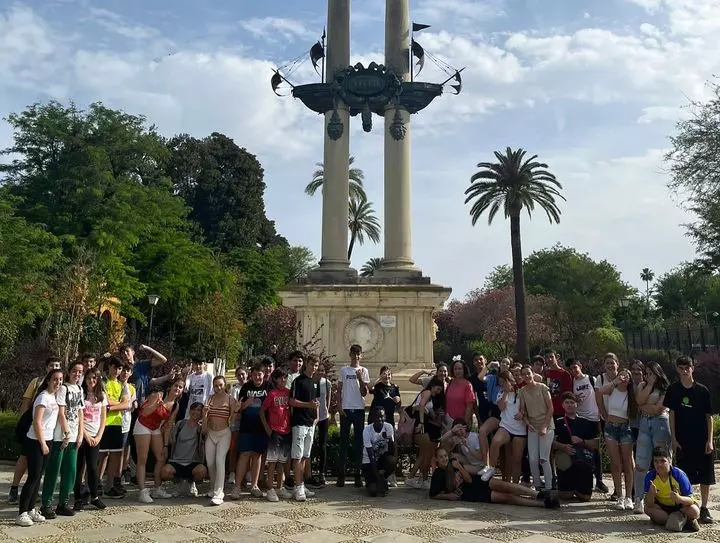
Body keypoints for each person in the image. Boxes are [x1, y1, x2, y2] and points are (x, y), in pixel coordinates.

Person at [664, 355, 714, 524]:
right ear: (677, 369)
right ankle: (688, 507)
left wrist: (710, 440)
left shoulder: (702, 390)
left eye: (687, 368)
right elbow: (671, 414)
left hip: (702, 439)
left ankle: (704, 507)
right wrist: (673, 438)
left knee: (705, 475)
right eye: (681, 368)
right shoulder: (673, 390)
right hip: (682, 440)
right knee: (685, 475)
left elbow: (709, 416)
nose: (685, 371)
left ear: (693, 368)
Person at [9, 356, 62, 504]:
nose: (54, 368)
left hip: (47, 431)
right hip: (32, 427)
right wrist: (23, 422)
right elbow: (26, 403)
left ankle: (31, 500)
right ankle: (15, 487)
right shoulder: (37, 383)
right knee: (24, 458)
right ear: (46, 367)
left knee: (37, 471)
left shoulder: (58, 387)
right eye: (51, 365)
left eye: (57, 365)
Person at [430, 447, 559, 508]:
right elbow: (433, 495)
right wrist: (448, 496)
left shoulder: (453, 463)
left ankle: (538, 494)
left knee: (506, 485)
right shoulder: (438, 474)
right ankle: (542, 504)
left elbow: (469, 478)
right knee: (507, 497)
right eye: (441, 457)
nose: (444, 459)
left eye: (445, 456)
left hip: (476, 482)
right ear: (436, 459)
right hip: (470, 493)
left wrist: (459, 466)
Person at [16, 369, 63, 527]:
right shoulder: (43, 397)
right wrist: (42, 443)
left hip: (48, 439)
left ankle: (31, 509)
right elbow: (37, 422)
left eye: (60, 379)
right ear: (48, 380)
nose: (58, 382)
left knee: (38, 477)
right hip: (36, 441)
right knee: (33, 477)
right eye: (55, 379)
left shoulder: (53, 397)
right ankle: (22, 512)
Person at [40, 361, 85, 519]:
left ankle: (63, 503)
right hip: (60, 436)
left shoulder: (80, 389)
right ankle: (46, 504)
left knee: (70, 471)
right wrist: (66, 433)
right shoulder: (63, 388)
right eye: (74, 371)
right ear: (69, 372)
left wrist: (80, 434)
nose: (77, 374)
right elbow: (61, 412)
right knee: (53, 470)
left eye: (80, 372)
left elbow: (80, 412)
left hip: (74, 436)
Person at [135, 379, 184, 503]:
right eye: (176, 385)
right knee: (142, 459)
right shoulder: (157, 395)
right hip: (143, 424)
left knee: (161, 457)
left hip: (155, 428)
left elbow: (168, 427)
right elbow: (144, 412)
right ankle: (142, 491)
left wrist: (166, 445)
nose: (177, 389)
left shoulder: (175, 406)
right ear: (170, 387)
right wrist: (156, 405)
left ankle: (157, 488)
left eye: (180, 387)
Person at [596, 362, 637, 510]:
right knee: (616, 463)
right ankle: (619, 496)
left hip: (625, 428)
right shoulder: (612, 389)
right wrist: (615, 381)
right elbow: (599, 392)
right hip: (611, 428)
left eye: (626, 377)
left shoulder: (631, 393)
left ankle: (629, 497)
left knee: (627, 463)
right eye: (622, 376)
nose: (624, 378)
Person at [633, 361, 671, 513]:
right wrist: (648, 385)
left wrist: (643, 407)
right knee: (641, 462)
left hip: (660, 424)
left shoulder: (665, 387)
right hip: (644, 424)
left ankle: (665, 495)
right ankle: (639, 498)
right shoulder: (642, 385)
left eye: (651, 373)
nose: (648, 376)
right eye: (647, 373)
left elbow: (658, 409)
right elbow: (638, 401)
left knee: (662, 460)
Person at [231, 362, 272, 499]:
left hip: (262, 427)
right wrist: (245, 405)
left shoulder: (269, 386)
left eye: (259, 374)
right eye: (254, 375)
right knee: (244, 455)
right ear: (251, 375)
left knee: (257, 456)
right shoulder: (246, 387)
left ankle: (254, 485)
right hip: (246, 427)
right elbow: (238, 407)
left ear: (264, 374)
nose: (257, 377)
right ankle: (237, 486)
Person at [566, 358, 607, 493]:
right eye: (571, 369)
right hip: (580, 418)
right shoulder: (572, 383)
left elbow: (599, 396)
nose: (574, 370)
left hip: (594, 418)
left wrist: (600, 416)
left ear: (580, 366)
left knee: (596, 449)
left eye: (575, 367)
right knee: (581, 449)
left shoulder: (591, 379)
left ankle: (599, 480)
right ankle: (582, 480)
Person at [552, 392, 598, 502]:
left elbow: (596, 444)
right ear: (562, 405)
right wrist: (563, 447)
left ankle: (580, 488)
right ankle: (568, 487)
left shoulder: (585, 422)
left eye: (572, 402)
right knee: (566, 496)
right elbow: (551, 443)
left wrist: (582, 441)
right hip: (565, 456)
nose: (570, 405)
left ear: (576, 404)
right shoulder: (557, 422)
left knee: (585, 497)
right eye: (567, 402)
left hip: (582, 459)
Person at [482, 371, 526, 483]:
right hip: (506, 426)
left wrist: (522, 413)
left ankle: (515, 485)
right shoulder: (501, 393)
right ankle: (491, 468)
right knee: (496, 441)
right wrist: (506, 392)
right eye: (500, 382)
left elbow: (526, 406)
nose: (501, 384)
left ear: (509, 380)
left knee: (516, 460)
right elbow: (501, 407)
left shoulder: (521, 391)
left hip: (519, 429)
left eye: (503, 382)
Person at [643, 446, 700, 532]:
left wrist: (679, 498)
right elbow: (648, 504)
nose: (659, 464)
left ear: (670, 461)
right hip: (662, 508)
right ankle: (683, 521)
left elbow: (691, 500)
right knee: (647, 509)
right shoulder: (650, 476)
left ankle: (675, 520)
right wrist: (651, 494)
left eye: (663, 461)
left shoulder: (679, 475)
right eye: (656, 461)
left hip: (680, 507)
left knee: (694, 510)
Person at [336, 344, 370, 488]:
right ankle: (341, 475)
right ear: (350, 354)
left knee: (359, 443)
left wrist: (360, 378)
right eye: (354, 354)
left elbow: (364, 393)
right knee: (343, 443)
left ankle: (358, 475)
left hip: (359, 409)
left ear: (361, 356)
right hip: (346, 409)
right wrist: (339, 406)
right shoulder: (343, 370)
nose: (356, 356)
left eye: (358, 354)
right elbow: (339, 390)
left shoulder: (364, 370)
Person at [74, 368, 107, 512]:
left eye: (94, 378)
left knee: (93, 467)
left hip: (95, 436)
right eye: (89, 378)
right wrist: (86, 435)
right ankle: (77, 498)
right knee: (79, 467)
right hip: (82, 435)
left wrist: (98, 436)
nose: (91, 381)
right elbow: (78, 417)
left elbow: (103, 418)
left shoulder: (102, 395)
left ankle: (94, 496)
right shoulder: (81, 394)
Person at [98, 356, 130, 499]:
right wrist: (118, 404)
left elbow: (126, 403)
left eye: (119, 368)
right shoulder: (102, 381)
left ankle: (110, 485)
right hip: (104, 423)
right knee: (102, 455)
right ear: (109, 366)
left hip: (117, 423)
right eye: (114, 367)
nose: (117, 371)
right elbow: (104, 399)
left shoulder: (122, 384)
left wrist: (112, 407)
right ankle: (97, 483)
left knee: (115, 456)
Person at [518, 365, 554, 491]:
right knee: (532, 459)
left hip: (546, 426)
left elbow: (550, 408)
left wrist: (544, 426)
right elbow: (523, 410)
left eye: (528, 373)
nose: (526, 376)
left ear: (533, 373)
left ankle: (549, 487)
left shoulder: (543, 387)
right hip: (532, 427)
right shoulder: (522, 391)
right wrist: (527, 422)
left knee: (544, 458)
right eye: (524, 374)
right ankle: (537, 485)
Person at [289, 356, 320, 501]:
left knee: (305, 456)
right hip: (299, 422)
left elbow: (316, 401)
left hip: (310, 423)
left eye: (316, 365)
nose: (314, 367)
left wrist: (317, 417)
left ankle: (300, 484)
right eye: (312, 364)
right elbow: (292, 401)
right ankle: (299, 485)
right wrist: (308, 405)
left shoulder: (316, 382)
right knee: (297, 456)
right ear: (306, 364)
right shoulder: (298, 381)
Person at [405, 378, 446, 489]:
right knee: (427, 454)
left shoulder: (429, 396)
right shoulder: (427, 392)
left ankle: (414, 477)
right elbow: (422, 405)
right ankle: (421, 479)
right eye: (437, 389)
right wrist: (422, 422)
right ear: (432, 386)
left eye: (440, 390)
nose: (438, 392)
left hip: (424, 425)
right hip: (421, 425)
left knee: (424, 454)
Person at [203, 376, 237, 505]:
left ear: (225, 385)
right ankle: (213, 487)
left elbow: (232, 420)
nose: (218, 388)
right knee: (210, 462)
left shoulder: (230, 399)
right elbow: (205, 419)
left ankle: (219, 493)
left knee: (219, 460)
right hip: (211, 433)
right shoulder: (210, 398)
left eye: (221, 385)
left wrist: (236, 411)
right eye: (216, 385)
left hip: (224, 434)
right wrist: (204, 413)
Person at [259, 368, 292, 502]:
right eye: (281, 378)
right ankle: (270, 488)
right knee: (272, 461)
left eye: (285, 377)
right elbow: (262, 411)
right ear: (275, 379)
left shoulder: (289, 393)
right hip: (274, 431)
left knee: (282, 461)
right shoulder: (272, 394)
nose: (283, 380)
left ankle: (280, 486)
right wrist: (267, 428)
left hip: (286, 430)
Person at [161, 402, 207, 497]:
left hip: (193, 462)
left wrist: (205, 416)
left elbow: (204, 432)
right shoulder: (180, 424)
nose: (196, 412)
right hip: (176, 461)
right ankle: (179, 483)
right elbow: (171, 439)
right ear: (189, 411)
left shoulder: (200, 428)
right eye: (193, 409)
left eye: (199, 410)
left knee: (202, 471)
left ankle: (191, 483)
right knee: (165, 472)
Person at [307, 363, 332, 489]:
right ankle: (308, 473)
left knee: (322, 445)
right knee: (309, 445)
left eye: (322, 370)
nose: (320, 372)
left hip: (323, 417)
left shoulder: (327, 383)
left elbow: (328, 398)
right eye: (319, 370)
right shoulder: (310, 382)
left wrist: (327, 411)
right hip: (311, 417)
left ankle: (322, 473)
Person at [362, 407, 396, 497]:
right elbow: (371, 457)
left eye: (382, 416)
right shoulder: (367, 430)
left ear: (385, 417)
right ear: (373, 418)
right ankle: (375, 481)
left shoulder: (388, 427)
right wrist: (379, 479)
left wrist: (389, 440)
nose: (380, 419)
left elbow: (392, 452)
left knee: (391, 461)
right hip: (369, 462)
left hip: (381, 459)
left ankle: (383, 479)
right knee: (373, 491)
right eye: (377, 417)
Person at [445, 358, 476, 426]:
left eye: (460, 369)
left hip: (461, 422)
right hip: (448, 421)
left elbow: (469, 406)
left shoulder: (468, 385)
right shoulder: (450, 383)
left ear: (464, 370)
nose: (457, 371)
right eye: (455, 369)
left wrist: (464, 423)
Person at [543, 349, 573, 417]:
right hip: (549, 411)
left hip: (561, 411)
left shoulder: (565, 374)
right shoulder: (546, 374)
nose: (549, 359)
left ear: (557, 357)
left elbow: (568, 394)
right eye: (547, 357)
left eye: (551, 357)